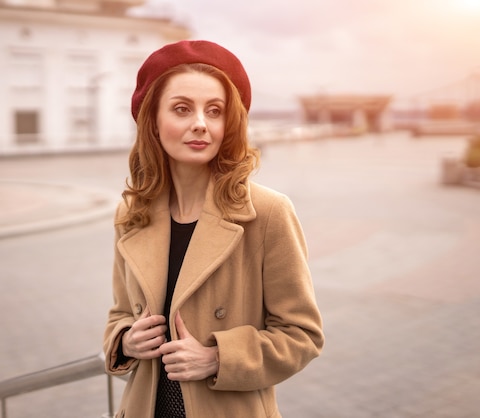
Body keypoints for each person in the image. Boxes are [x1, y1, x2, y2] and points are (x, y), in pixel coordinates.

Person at [103, 39, 324, 418]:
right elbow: (120, 313)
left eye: (215, 110)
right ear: (154, 122)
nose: (200, 124)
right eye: (182, 108)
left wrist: (217, 358)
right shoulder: (132, 213)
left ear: (229, 123)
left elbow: (302, 336)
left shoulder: (268, 213)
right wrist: (126, 341)